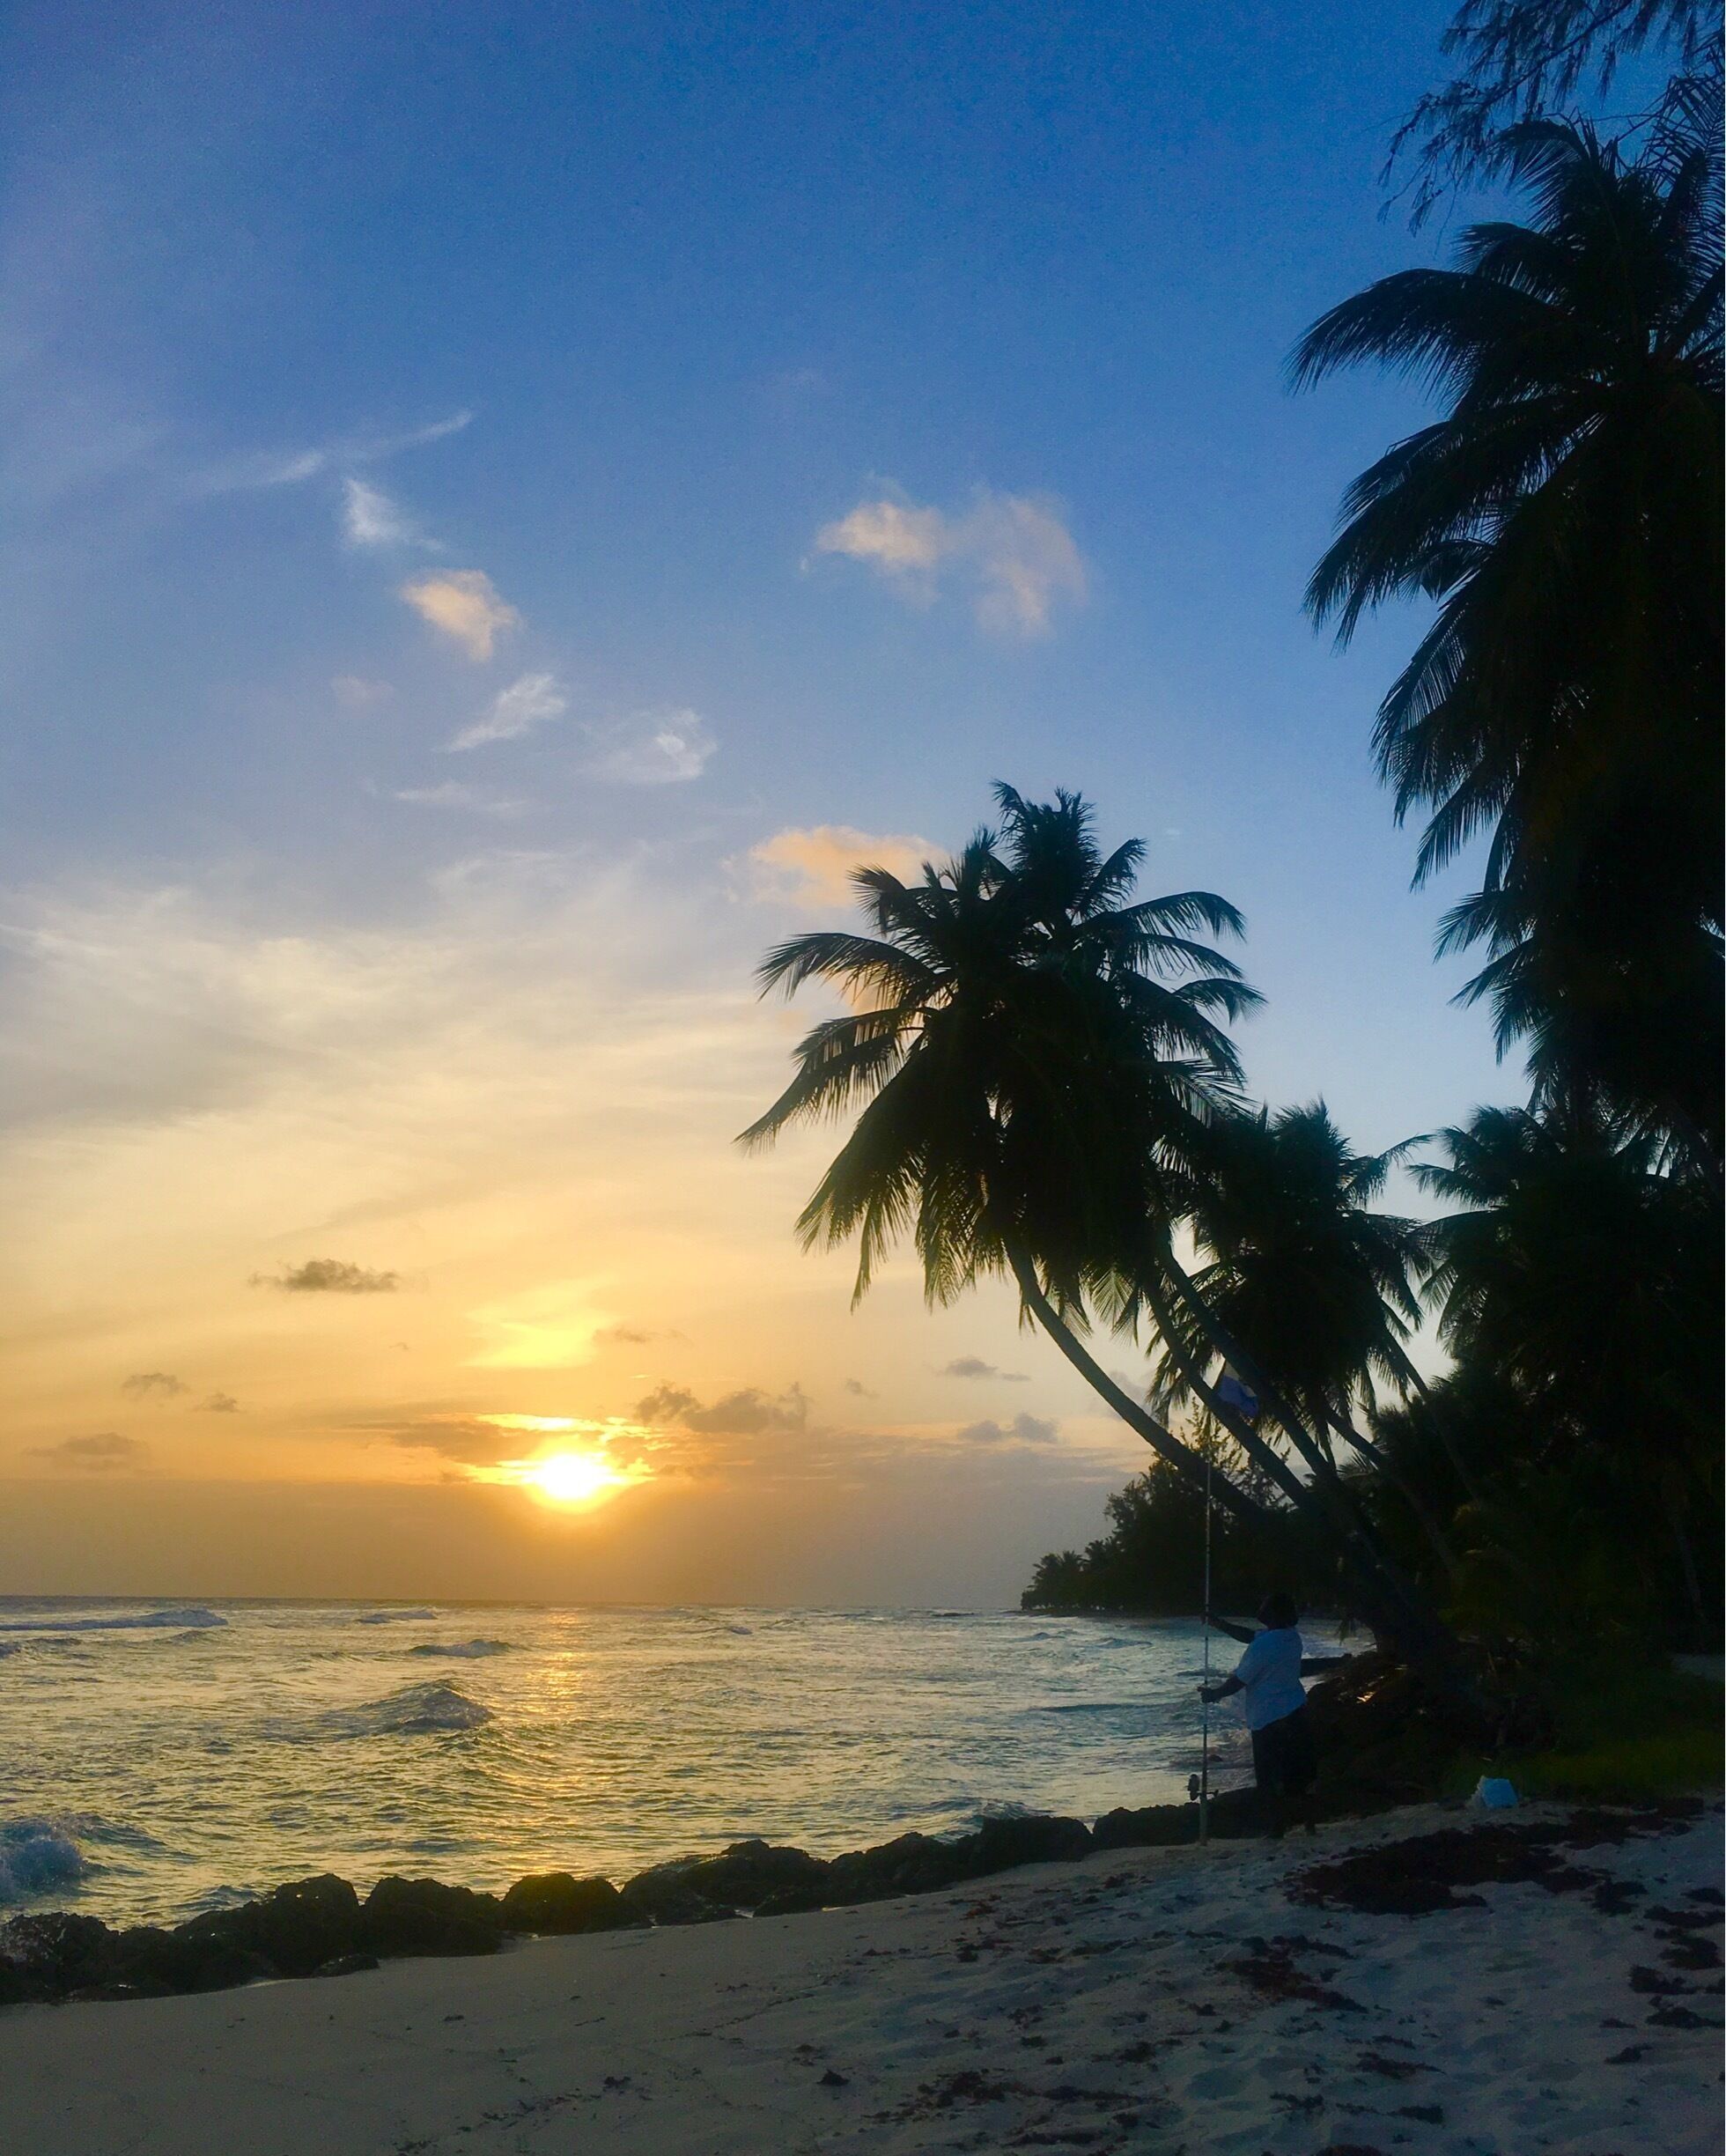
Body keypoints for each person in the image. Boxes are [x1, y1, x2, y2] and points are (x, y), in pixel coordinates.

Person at [1198, 1592, 1343, 1835]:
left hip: (1269, 1719)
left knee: (1269, 1781)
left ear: (1274, 1613)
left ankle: (1277, 1829)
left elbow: (1239, 1680)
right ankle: (1309, 1826)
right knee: (1297, 1777)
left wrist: (1214, 1694)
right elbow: (1249, 1635)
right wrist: (1219, 1624)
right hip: (1295, 1711)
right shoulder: (1290, 1638)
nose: (1260, 1608)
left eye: (1265, 1605)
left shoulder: (1265, 1646)